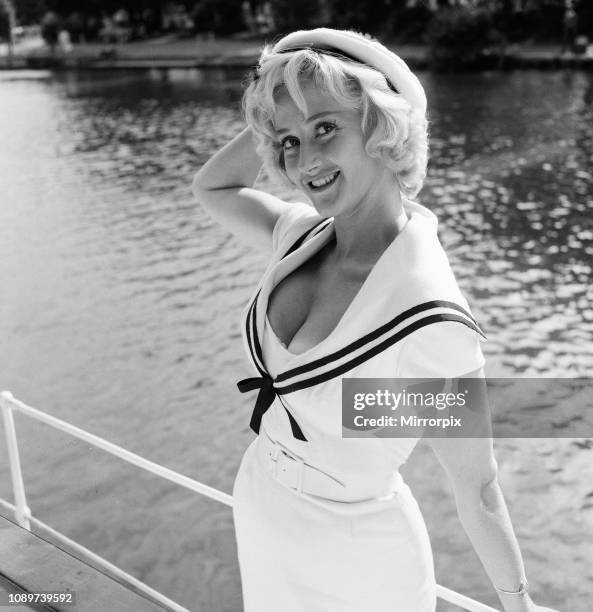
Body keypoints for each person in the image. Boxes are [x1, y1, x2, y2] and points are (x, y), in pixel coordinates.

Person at [192, 28, 558, 612]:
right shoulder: (301, 234)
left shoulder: (427, 316)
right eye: (289, 141)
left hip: (357, 562)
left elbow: (477, 485)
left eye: (326, 128)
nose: (304, 161)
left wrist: (517, 602)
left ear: (382, 127)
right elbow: (213, 185)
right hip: (261, 512)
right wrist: (280, 96)